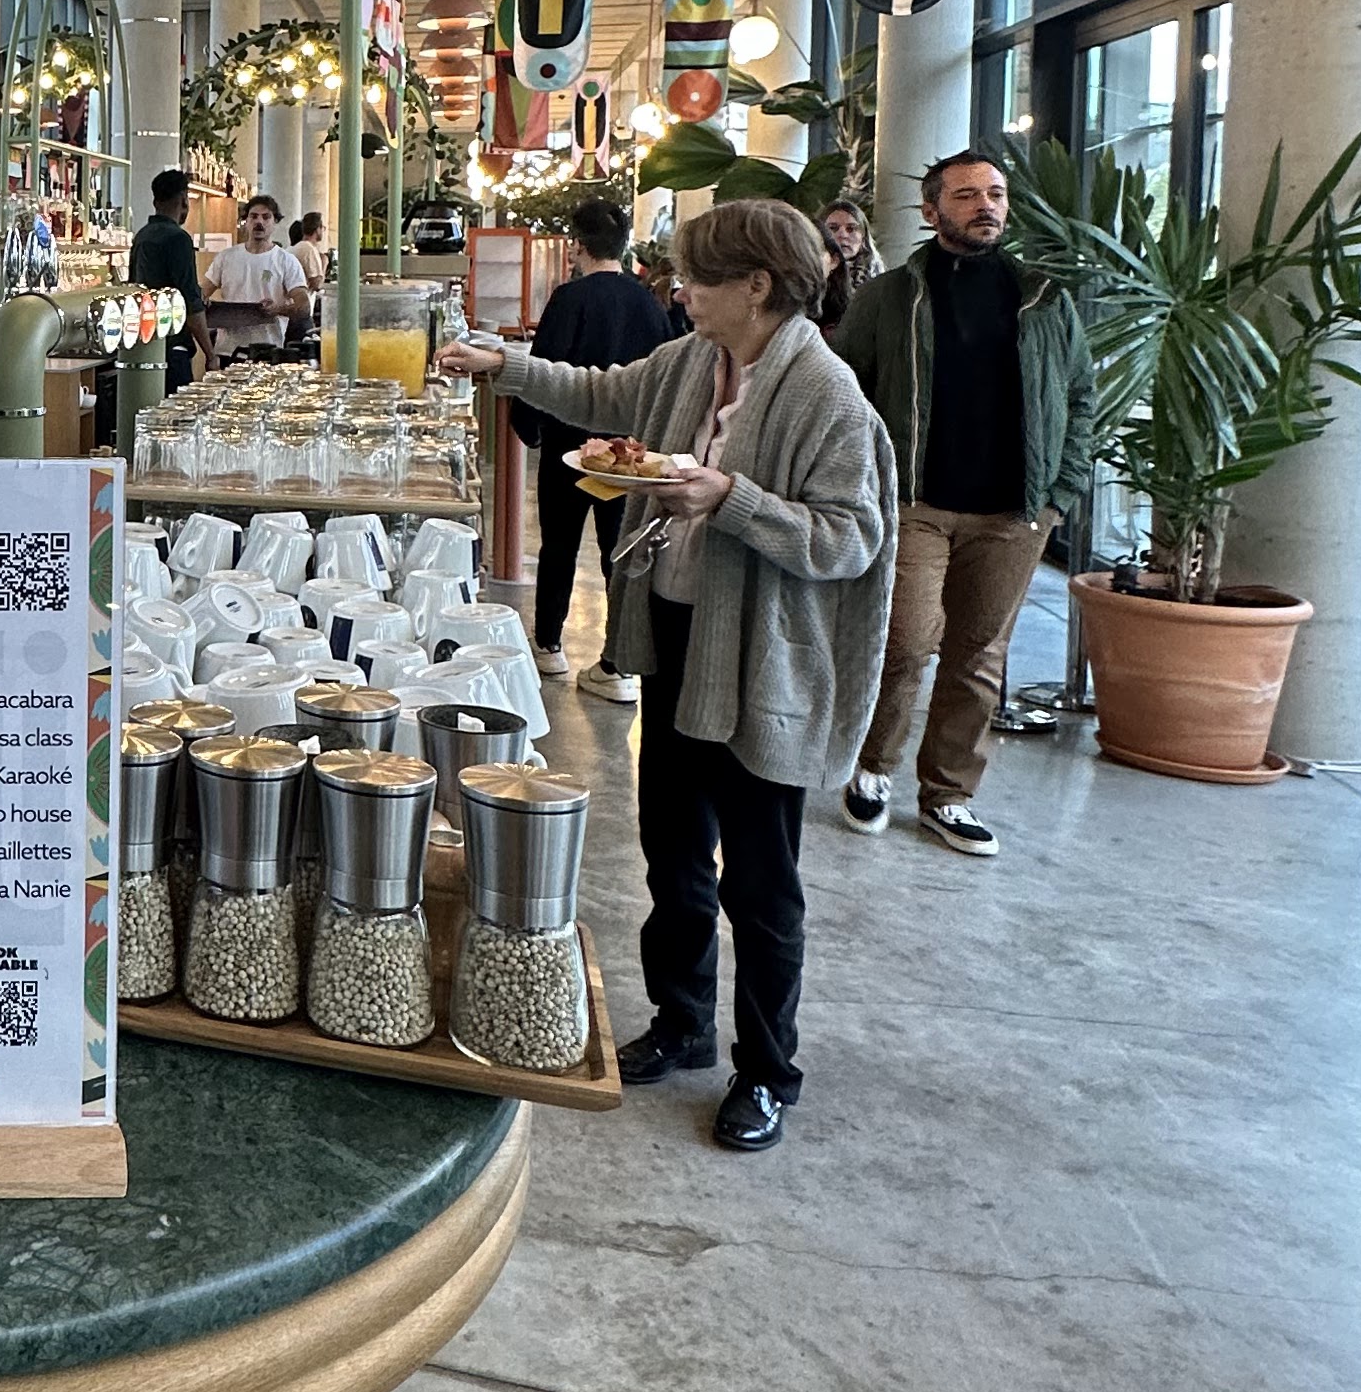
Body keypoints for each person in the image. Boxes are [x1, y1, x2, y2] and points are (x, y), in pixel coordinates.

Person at [446, 200, 895, 1152]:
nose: (680, 291)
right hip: (679, 639)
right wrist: (503, 367)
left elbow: (850, 538)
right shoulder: (695, 360)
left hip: (761, 659)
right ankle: (683, 1020)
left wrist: (731, 497)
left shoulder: (826, 392)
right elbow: (605, 396)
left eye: (697, 277)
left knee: (762, 881)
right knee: (674, 849)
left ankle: (767, 1071)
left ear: (757, 287)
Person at [830, 146, 1091, 860]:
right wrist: (862, 483)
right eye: (968, 195)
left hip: (1014, 512)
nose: (986, 206)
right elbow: (844, 393)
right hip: (916, 503)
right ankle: (873, 767)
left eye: (996, 194)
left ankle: (948, 794)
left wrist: (1058, 496)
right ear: (931, 210)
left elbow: (1079, 397)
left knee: (979, 655)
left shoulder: (1043, 297)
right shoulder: (891, 296)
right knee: (906, 643)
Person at [514, 194, 677, 697]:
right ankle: (617, 664)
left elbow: (544, 370)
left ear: (578, 245)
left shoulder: (569, 298)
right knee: (620, 553)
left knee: (559, 545)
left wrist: (530, 427)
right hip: (629, 456)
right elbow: (665, 376)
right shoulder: (649, 302)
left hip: (569, 447)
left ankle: (549, 646)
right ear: (623, 245)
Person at [204, 192, 309, 358]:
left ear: (275, 222)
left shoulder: (286, 261)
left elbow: (304, 306)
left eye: (266, 217)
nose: (259, 222)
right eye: (253, 216)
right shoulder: (226, 257)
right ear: (246, 221)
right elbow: (202, 292)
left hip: (267, 352)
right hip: (227, 351)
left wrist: (278, 309)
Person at [129, 168, 205, 388]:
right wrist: (210, 354)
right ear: (184, 199)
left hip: (143, 341)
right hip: (173, 343)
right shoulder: (179, 238)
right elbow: (190, 300)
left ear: (155, 201)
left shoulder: (142, 235)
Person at [817, 195, 872, 335]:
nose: (842, 235)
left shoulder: (878, 280)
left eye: (851, 229)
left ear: (863, 238)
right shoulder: (810, 279)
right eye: (833, 228)